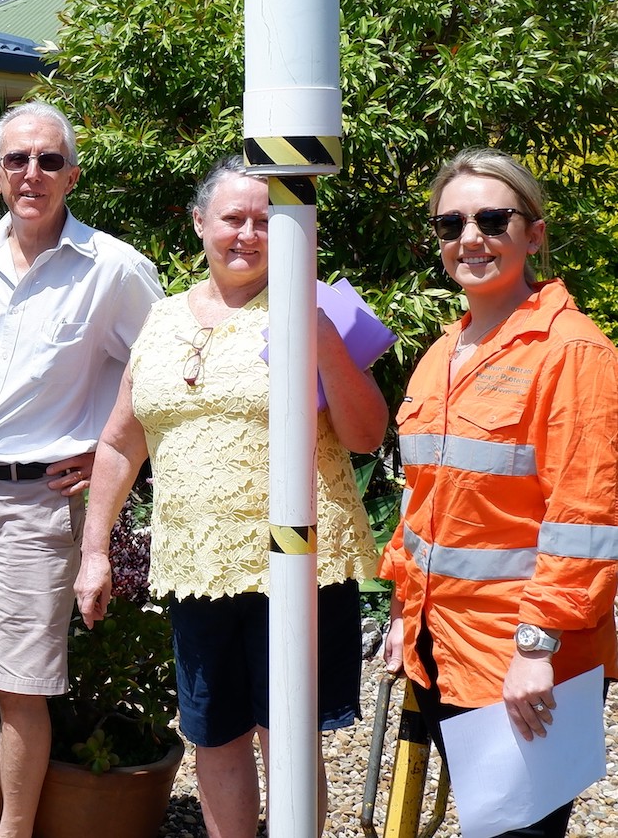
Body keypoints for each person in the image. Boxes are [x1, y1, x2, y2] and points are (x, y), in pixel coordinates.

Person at [75, 157, 385, 838]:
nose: (247, 234)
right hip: (197, 566)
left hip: (297, 560)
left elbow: (366, 434)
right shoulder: (160, 320)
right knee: (213, 734)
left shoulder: (313, 309)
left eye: (266, 221)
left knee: (287, 735)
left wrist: (324, 339)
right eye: (232, 219)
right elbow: (121, 444)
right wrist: (95, 550)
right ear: (199, 224)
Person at [0, 101, 162, 838]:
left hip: (41, 501)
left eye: (49, 160)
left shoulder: (114, 270)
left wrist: (113, 450)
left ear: (72, 175)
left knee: (19, 682)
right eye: (17, 160)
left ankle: (13, 830)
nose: (32, 174)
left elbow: (166, 369)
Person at [379, 148, 618, 838]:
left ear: (534, 233)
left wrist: (536, 650)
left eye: (492, 218)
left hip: (525, 657)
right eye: (451, 224)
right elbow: (421, 502)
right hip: (440, 644)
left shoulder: (573, 352)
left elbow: (587, 518)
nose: (470, 238)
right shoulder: (440, 356)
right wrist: (402, 609)